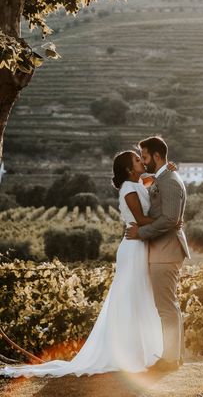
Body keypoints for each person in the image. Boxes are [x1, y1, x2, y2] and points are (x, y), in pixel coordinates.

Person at [0, 150, 181, 377]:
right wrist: (171, 220)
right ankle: (127, 352)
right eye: (137, 159)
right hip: (133, 246)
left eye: (141, 158)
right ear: (128, 169)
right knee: (130, 297)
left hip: (141, 242)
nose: (141, 161)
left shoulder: (141, 182)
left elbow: (158, 181)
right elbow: (142, 220)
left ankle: (148, 350)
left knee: (142, 296)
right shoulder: (128, 188)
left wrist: (168, 170)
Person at [125, 136, 190, 372]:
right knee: (168, 306)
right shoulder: (164, 176)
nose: (143, 161)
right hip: (162, 250)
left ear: (157, 156)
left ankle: (170, 359)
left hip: (166, 250)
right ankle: (175, 356)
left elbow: (171, 218)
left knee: (166, 307)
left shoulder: (170, 180)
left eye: (145, 156)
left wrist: (141, 232)